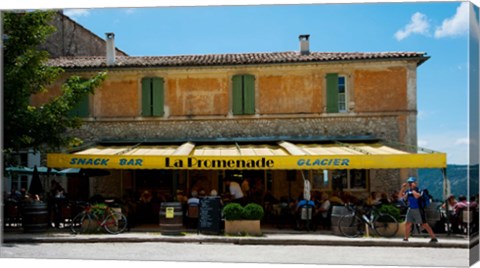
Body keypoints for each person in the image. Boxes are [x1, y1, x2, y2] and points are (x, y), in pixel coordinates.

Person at [399, 177, 438, 243]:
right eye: (409, 183)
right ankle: (406, 238)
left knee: (424, 224)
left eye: (411, 183)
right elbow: (400, 197)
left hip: (418, 209)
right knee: (407, 223)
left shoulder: (419, 190)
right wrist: (402, 189)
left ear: (415, 183)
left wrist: (413, 190)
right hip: (410, 209)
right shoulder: (408, 191)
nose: (410, 184)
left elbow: (417, 196)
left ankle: (433, 237)